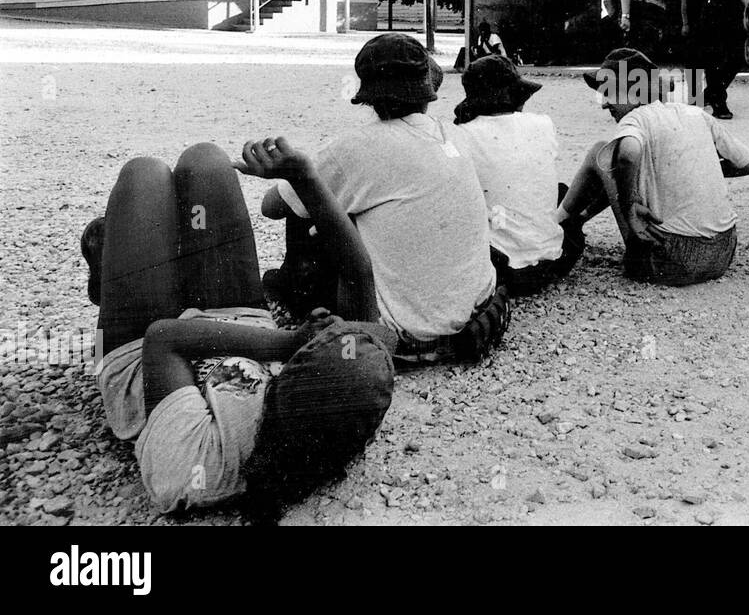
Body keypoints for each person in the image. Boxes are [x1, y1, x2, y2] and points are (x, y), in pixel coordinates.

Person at [81, 139, 395, 518]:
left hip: (142, 355)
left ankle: (112, 275)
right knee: (205, 162)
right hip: (239, 321)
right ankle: (133, 259)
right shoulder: (340, 395)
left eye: (322, 337)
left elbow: (163, 338)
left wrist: (287, 341)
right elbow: (360, 275)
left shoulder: (204, 468)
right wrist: (303, 177)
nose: (326, 322)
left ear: (292, 375)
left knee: (143, 174)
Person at [261, 33, 509, 364]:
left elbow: (272, 207)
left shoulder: (357, 146)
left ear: (369, 97)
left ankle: (294, 297)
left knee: (308, 205)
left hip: (402, 334)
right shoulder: (454, 135)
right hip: (474, 318)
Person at [558, 47, 749, 286]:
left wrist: (631, 204)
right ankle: (577, 219)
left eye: (608, 92)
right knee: (618, 168)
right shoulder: (695, 113)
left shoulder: (636, 118)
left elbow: (627, 156)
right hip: (722, 254)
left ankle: (556, 222)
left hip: (671, 262)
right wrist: (704, 167)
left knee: (600, 153)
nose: (604, 104)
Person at [453, 55, 585, 295]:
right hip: (557, 259)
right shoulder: (543, 123)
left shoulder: (461, 135)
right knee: (559, 190)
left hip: (502, 269)